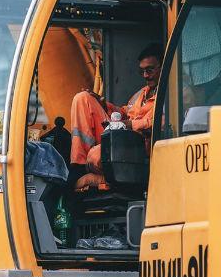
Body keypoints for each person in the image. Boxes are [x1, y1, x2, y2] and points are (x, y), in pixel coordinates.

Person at [68, 43, 163, 191]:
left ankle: (97, 168)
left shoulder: (174, 93)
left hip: (138, 147)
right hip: (120, 138)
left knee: (98, 154)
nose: (145, 75)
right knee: (82, 98)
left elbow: (166, 123)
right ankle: (79, 165)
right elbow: (125, 112)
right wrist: (102, 104)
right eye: (142, 71)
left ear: (163, 67)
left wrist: (131, 125)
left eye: (149, 70)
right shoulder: (142, 93)